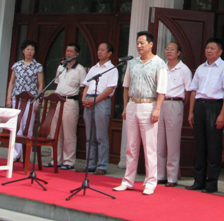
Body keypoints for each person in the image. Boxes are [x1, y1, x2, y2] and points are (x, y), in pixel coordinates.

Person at [113, 31, 167, 195]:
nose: (139, 46)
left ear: (151, 44)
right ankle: (127, 180)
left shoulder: (159, 64)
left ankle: (150, 182)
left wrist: (157, 109)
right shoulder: (132, 63)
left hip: (149, 105)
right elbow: (126, 87)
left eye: (142, 43)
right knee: (131, 145)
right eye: (137, 43)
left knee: (149, 147)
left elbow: (162, 90)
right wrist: (125, 107)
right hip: (132, 104)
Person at [186, 37, 224, 194]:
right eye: (207, 48)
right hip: (200, 106)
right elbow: (194, 90)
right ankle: (198, 181)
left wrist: (222, 114)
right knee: (199, 145)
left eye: (212, 48)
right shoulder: (201, 68)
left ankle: (211, 183)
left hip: (215, 106)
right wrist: (191, 111)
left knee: (214, 147)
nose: (209, 50)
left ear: (220, 51)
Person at [78, 42, 118, 174]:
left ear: (109, 53)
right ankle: (89, 164)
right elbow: (86, 85)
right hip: (89, 100)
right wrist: (84, 99)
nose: (99, 52)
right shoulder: (93, 69)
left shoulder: (112, 69)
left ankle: (102, 166)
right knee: (89, 135)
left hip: (101, 101)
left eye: (102, 50)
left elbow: (109, 89)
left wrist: (95, 100)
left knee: (101, 136)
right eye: (98, 49)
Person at [44, 43, 86, 170]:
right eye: (67, 51)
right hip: (58, 100)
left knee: (69, 133)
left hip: (70, 101)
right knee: (55, 131)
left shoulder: (80, 69)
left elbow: (83, 87)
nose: (68, 53)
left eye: (71, 51)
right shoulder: (61, 67)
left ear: (76, 54)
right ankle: (55, 159)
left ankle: (69, 161)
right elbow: (57, 84)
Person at [157, 41, 192, 187]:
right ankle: (160, 175)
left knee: (172, 142)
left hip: (175, 103)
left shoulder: (184, 69)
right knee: (159, 142)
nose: (168, 51)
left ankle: (172, 177)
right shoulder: (161, 68)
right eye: (167, 49)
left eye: (172, 49)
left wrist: (180, 104)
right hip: (160, 104)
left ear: (178, 53)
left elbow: (188, 91)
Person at [6, 39, 45, 162]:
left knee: (27, 125)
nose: (29, 51)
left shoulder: (37, 66)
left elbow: (40, 84)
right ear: (23, 51)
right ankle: (16, 153)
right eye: (27, 49)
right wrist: (8, 97)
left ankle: (26, 154)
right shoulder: (16, 65)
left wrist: (38, 100)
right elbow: (12, 82)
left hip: (30, 100)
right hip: (17, 99)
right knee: (17, 125)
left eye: (32, 49)